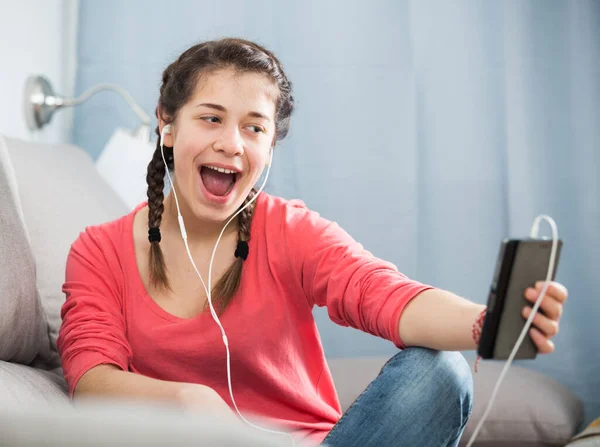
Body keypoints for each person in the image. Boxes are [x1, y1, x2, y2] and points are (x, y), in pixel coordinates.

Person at [57, 37, 568, 447]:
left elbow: (380, 292)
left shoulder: (289, 230)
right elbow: (91, 380)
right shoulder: (99, 250)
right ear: (167, 126)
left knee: (439, 372)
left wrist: (488, 323)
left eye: (254, 128)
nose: (231, 143)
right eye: (210, 118)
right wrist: (192, 406)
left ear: (269, 146)